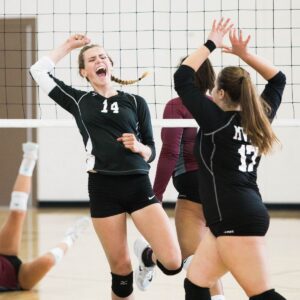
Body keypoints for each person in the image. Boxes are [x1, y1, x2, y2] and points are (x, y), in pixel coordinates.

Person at [30, 35, 182, 299]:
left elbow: (151, 152)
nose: (99, 61)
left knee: (172, 262)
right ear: (84, 72)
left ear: (110, 64)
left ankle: (147, 255)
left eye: (103, 57)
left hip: (137, 184)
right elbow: (38, 71)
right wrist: (69, 46)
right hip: (103, 188)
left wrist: (139, 147)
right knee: (121, 274)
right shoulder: (78, 100)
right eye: (92, 59)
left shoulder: (135, 102)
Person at [174, 18, 286, 300]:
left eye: (214, 90)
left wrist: (212, 42)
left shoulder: (216, 121)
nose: (210, 93)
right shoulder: (258, 119)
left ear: (221, 93)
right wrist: (244, 55)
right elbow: (278, 79)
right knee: (196, 285)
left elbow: (182, 77)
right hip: (233, 215)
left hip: (235, 217)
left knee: (262, 295)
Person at [153, 58, 225, 300]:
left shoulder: (177, 105)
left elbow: (170, 151)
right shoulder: (220, 104)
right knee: (207, 266)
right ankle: (147, 256)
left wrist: (156, 196)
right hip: (224, 188)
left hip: (193, 185)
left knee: (194, 266)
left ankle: (147, 256)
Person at [0, 142, 89, 291]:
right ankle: (70, 237)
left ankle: (29, 158)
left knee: (17, 213)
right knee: (48, 261)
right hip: (17, 278)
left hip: (3, 252)